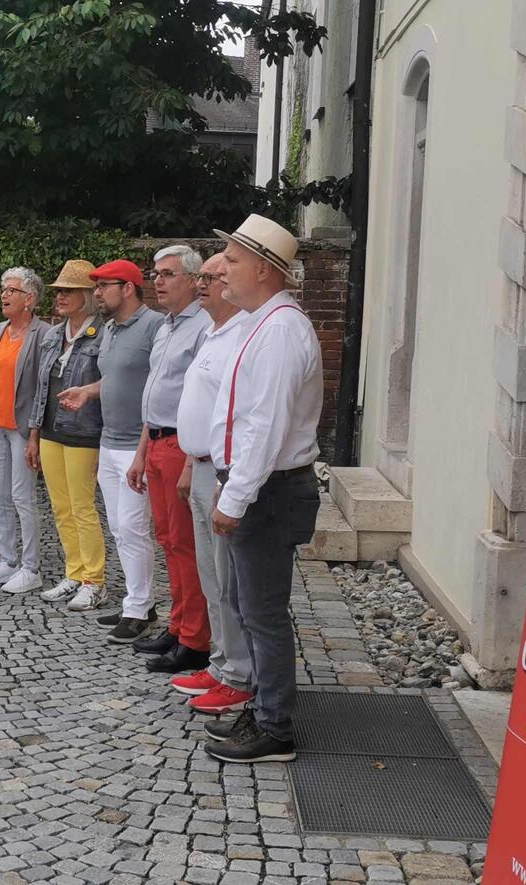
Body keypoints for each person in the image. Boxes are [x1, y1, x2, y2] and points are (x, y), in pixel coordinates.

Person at [204, 215, 323, 764]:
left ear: (262, 269)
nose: (222, 267)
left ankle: (274, 725)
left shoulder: (277, 331)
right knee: (254, 607)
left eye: (231, 259)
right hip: (265, 489)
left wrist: (233, 498)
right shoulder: (266, 322)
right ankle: (263, 706)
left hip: (269, 492)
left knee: (264, 611)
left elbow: (264, 425)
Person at [58, 260, 165, 642]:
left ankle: (138, 610)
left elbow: (158, 389)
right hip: (109, 440)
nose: (97, 293)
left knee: (134, 529)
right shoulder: (110, 330)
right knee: (120, 528)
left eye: (104, 286)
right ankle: (141, 603)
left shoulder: (155, 327)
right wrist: (87, 391)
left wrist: (142, 450)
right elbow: (115, 379)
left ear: (129, 288)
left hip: (139, 444)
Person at [173, 253, 253, 714]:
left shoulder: (242, 335)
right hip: (201, 464)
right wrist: (190, 459)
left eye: (212, 276)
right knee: (210, 575)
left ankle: (239, 673)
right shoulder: (212, 333)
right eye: (201, 276)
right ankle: (221, 663)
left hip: (224, 471)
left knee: (228, 580)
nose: (203, 284)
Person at [126, 245, 212, 673]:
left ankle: (196, 639)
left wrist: (193, 462)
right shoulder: (166, 327)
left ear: (194, 280)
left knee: (186, 545)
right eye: (156, 273)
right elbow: (153, 396)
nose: (158, 281)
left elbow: (203, 401)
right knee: (168, 541)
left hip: (183, 445)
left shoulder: (204, 328)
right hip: (157, 441)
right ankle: (179, 627)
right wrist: (142, 452)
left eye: (168, 274)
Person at [25, 260, 106, 611]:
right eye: (58, 291)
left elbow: (107, 388)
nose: (60, 296)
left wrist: (106, 440)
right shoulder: (54, 334)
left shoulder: (103, 333)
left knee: (82, 506)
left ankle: (95, 580)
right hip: (50, 430)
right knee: (61, 507)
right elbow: (40, 387)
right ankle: (74, 572)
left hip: (84, 431)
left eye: (68, 291)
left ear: (86, 295)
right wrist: (33, 434)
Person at [0, 267, 49, 594]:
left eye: (12, 290)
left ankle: (31, 567)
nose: (4, 294)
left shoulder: (44, 334)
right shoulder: (0, 329)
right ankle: (7, 559)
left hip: (21, 428)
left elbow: (44, 386)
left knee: (22, 496)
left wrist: (36, 434)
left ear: (29, 299)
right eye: (3, 289)